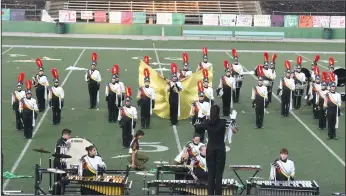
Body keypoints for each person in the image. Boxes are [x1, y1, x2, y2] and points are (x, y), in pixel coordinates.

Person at [196, 105, 229, 195]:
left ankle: (210, 194)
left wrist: (201, 121)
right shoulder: (223, 122)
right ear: (218, 113)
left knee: (211, 175)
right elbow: (233, 128)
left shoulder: (207, 122)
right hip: (220, 150)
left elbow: (197, 127)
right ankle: (218, 194)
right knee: (219, 175)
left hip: (210, 150)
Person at [52, 129, 72, 195]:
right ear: (65, 135)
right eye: (69, 135)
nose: (70, 136)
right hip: (59, 163)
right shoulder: (60, 142)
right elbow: (63, 153)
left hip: (61, 163)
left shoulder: (63, 141)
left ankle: (61, 192)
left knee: (62, 180)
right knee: (59, 180)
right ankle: (56, 193)